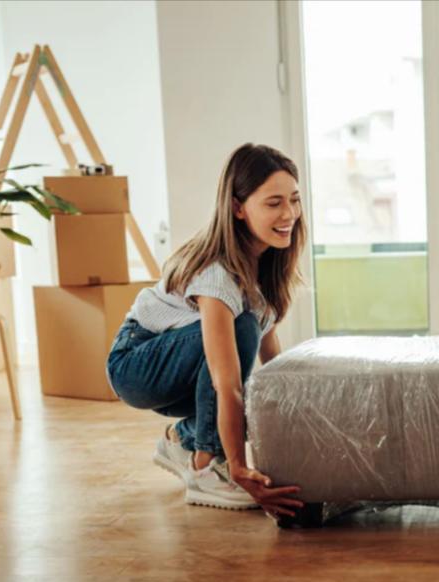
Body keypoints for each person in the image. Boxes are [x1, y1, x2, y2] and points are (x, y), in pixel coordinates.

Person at [106, 143, 306, 519]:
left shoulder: (264, 262)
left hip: (178, 367)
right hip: (136, 365)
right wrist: (237, 466)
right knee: (241, 335)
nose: (290, 213)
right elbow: (225, 383)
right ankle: (202, 466)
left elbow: (270, 355)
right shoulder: (217, 274)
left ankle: (181, 439)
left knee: (256, 397)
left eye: (294, 200)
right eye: (274, 203)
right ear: (237, 208)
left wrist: (290, 405)